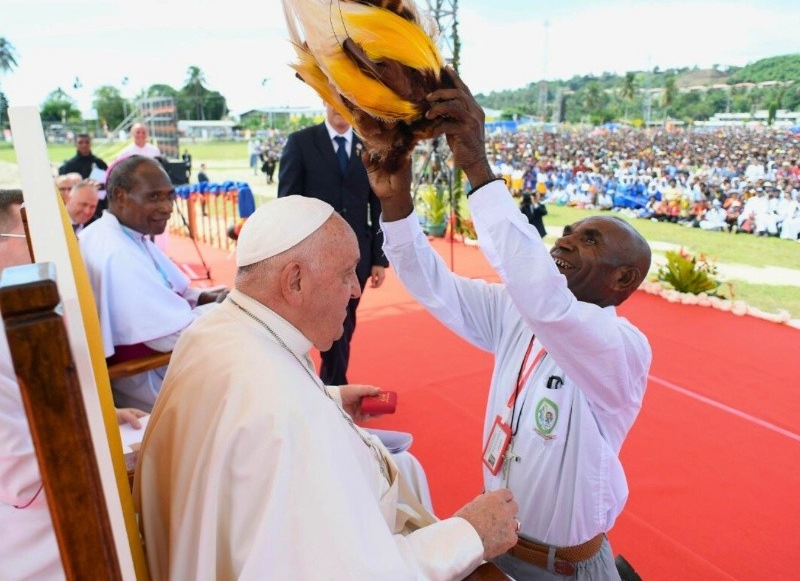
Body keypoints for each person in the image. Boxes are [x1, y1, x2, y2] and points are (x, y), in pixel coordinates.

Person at [134, 195, 520, 580]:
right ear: (295, 281)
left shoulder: (216, 327)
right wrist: (469, 533)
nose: (355, 289)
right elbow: (350, 572)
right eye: (346, 272)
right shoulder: (288, 412)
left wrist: (329, 399)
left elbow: (241, 414)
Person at [362, 68, 652, 580]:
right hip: (494, 543)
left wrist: (476, 164)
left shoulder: (620, 348)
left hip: (564, 569)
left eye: (589, 241)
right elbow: (434, 285)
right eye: (567, 232)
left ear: (623, 279)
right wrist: (395, 203)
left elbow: (544, 299)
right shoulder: (521, 312)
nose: (562, 242)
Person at [0, 189, 146, 581]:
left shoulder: (29, 309)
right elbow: (19, 473)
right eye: (30, 235)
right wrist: (103, 445)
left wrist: (102, 413)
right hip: (41, 537)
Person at [79, 156, 227, 410]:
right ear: (120, 195)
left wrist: (204, 298)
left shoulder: (121, 233)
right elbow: (169, 335)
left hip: (164, 360)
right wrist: (229, 308)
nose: (168, 207)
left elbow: (168, 287)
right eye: (154, 197)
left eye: (170, 196)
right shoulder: (116, 251)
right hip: (151, 378)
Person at [278, 103, 388, 385]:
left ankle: (332, 384)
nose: (341, 108)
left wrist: (378, 257)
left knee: (344, 319)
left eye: (348, 102)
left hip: (357, 255)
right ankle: (317, 382)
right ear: (325, 101)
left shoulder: (370, 146)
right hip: (310, 255)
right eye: (335, 99)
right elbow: (288, 202)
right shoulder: (301, 142)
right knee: (309, 318)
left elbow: (378, 206)